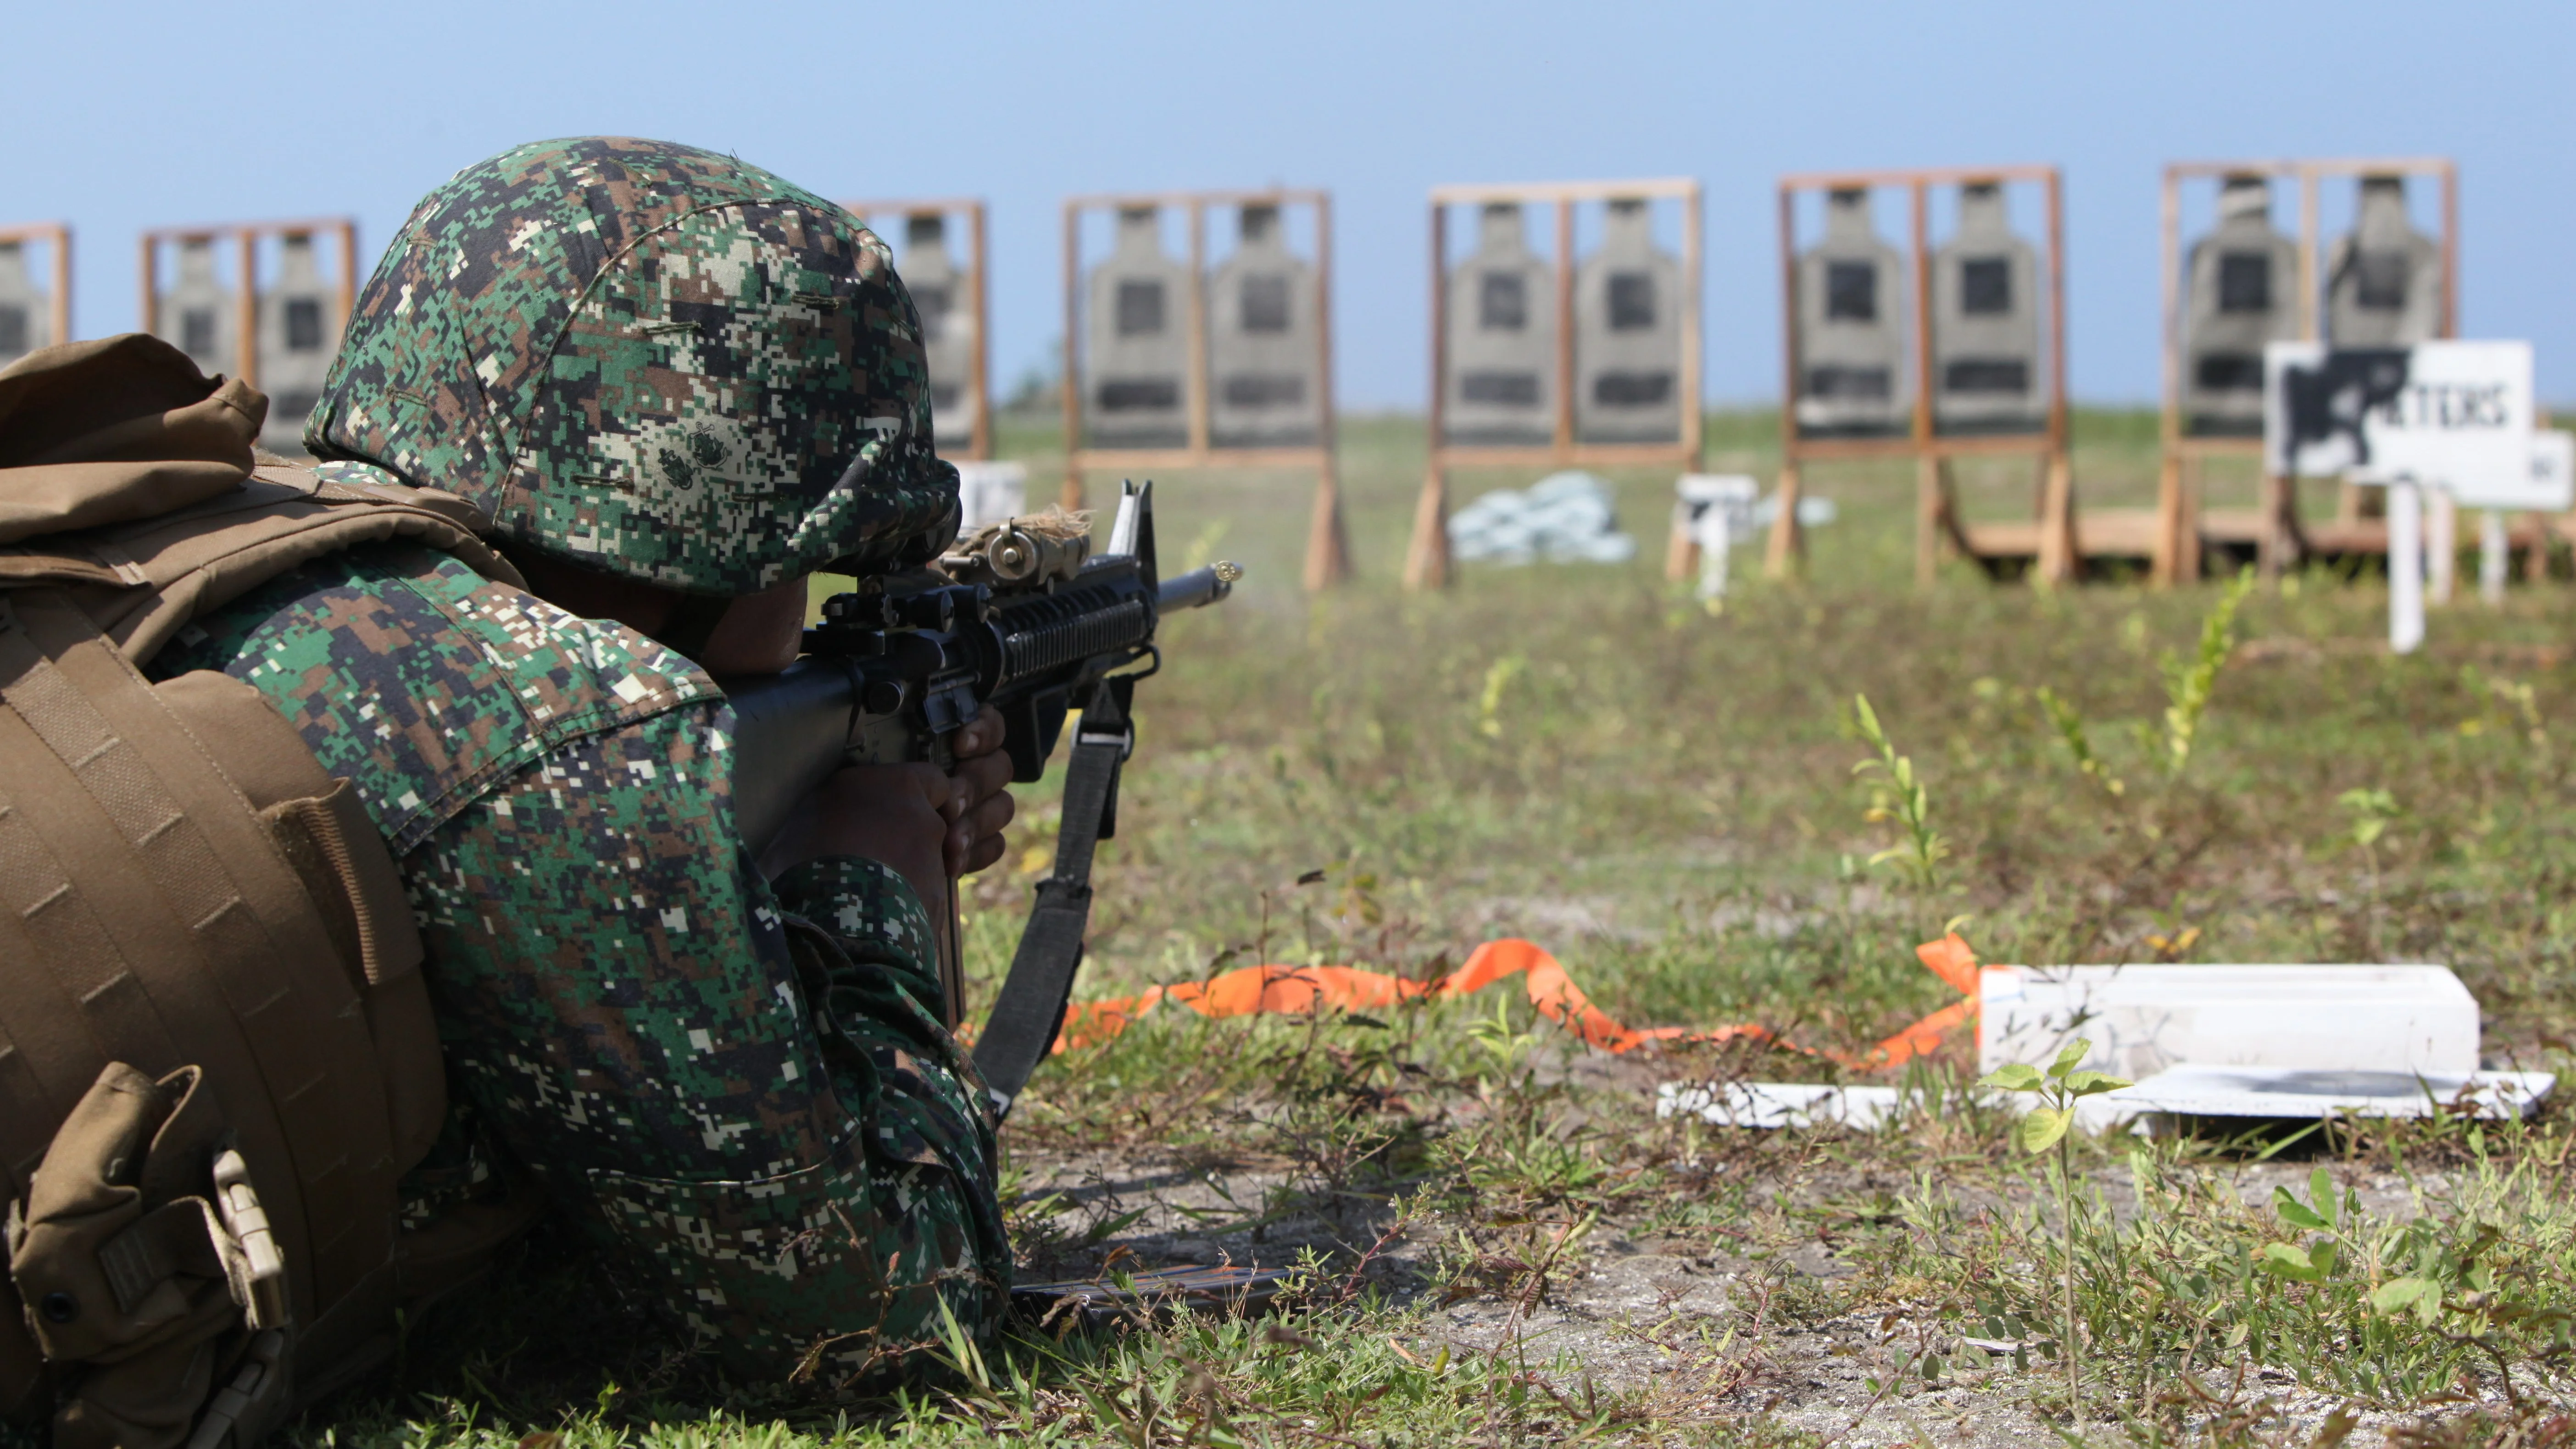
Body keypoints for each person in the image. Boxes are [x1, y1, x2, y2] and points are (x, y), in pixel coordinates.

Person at [137, 136, 1016, 1384]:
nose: (816, 607)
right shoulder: (562, 725)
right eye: (822, 563)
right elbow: (882, 1317)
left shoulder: (228, 551)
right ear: (725, 535)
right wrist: (866, 879)